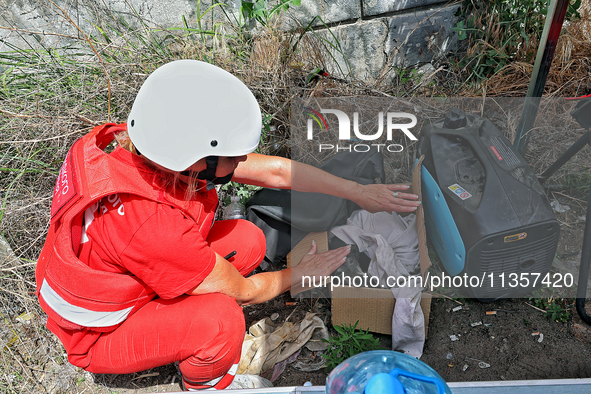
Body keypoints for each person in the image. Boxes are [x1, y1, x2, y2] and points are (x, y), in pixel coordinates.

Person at [35, 60, 420, 390]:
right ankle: (207, 385)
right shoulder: (150, 225)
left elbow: (273, 171)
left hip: (125, 268)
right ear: (197, 158)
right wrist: (300, 274)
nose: (240, 164)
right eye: (232, 157)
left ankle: (174, 313)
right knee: (221, 321)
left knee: (248, 241)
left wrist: (357, 192)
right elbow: (246, 291)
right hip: (96, 332)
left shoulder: (146, 145)